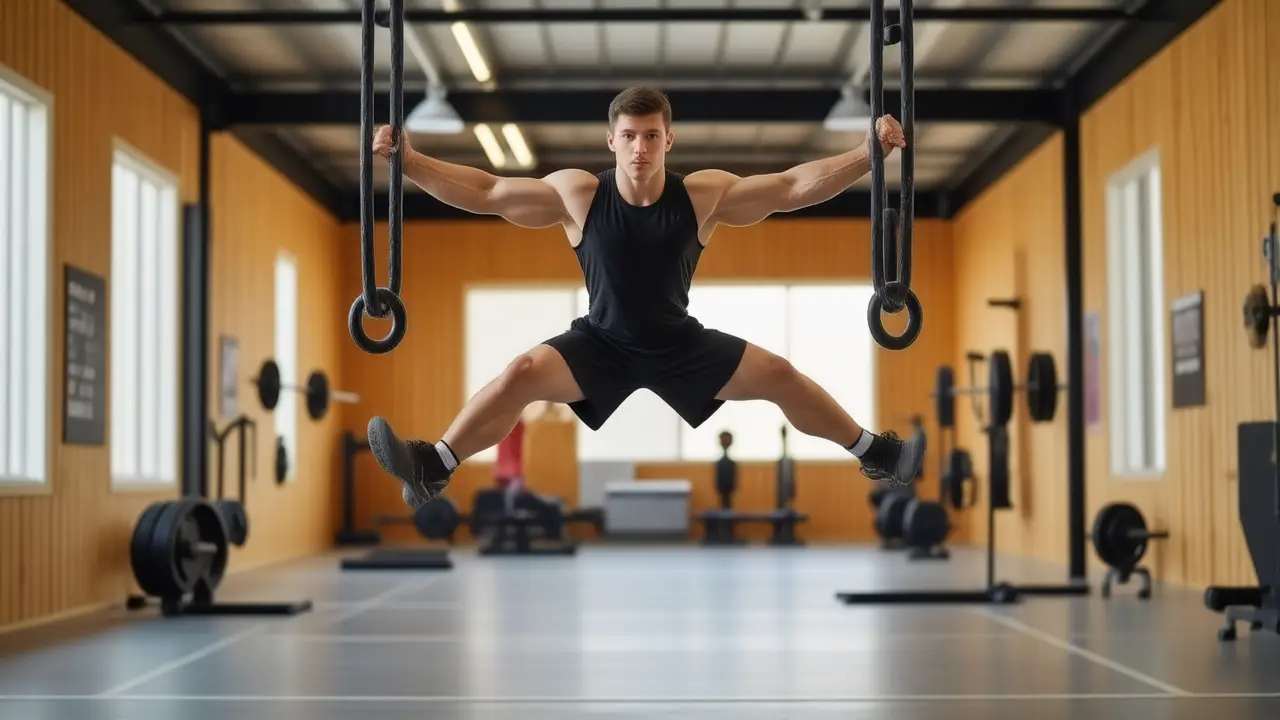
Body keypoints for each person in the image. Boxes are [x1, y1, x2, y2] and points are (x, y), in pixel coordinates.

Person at [366, 86, 924, 510]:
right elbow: (488, 192)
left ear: (668, 140)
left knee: (779, 373)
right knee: (521, 374)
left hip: (679, 343)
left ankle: (877, 454)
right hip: (601, 343)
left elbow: (790, 187)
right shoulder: (579, 194)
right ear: (611, 140)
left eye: (652, 136)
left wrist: (866, 154)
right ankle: (433, 464)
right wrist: (410, 161)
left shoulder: (701, 195)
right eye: (630, 136)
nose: (640, 147)